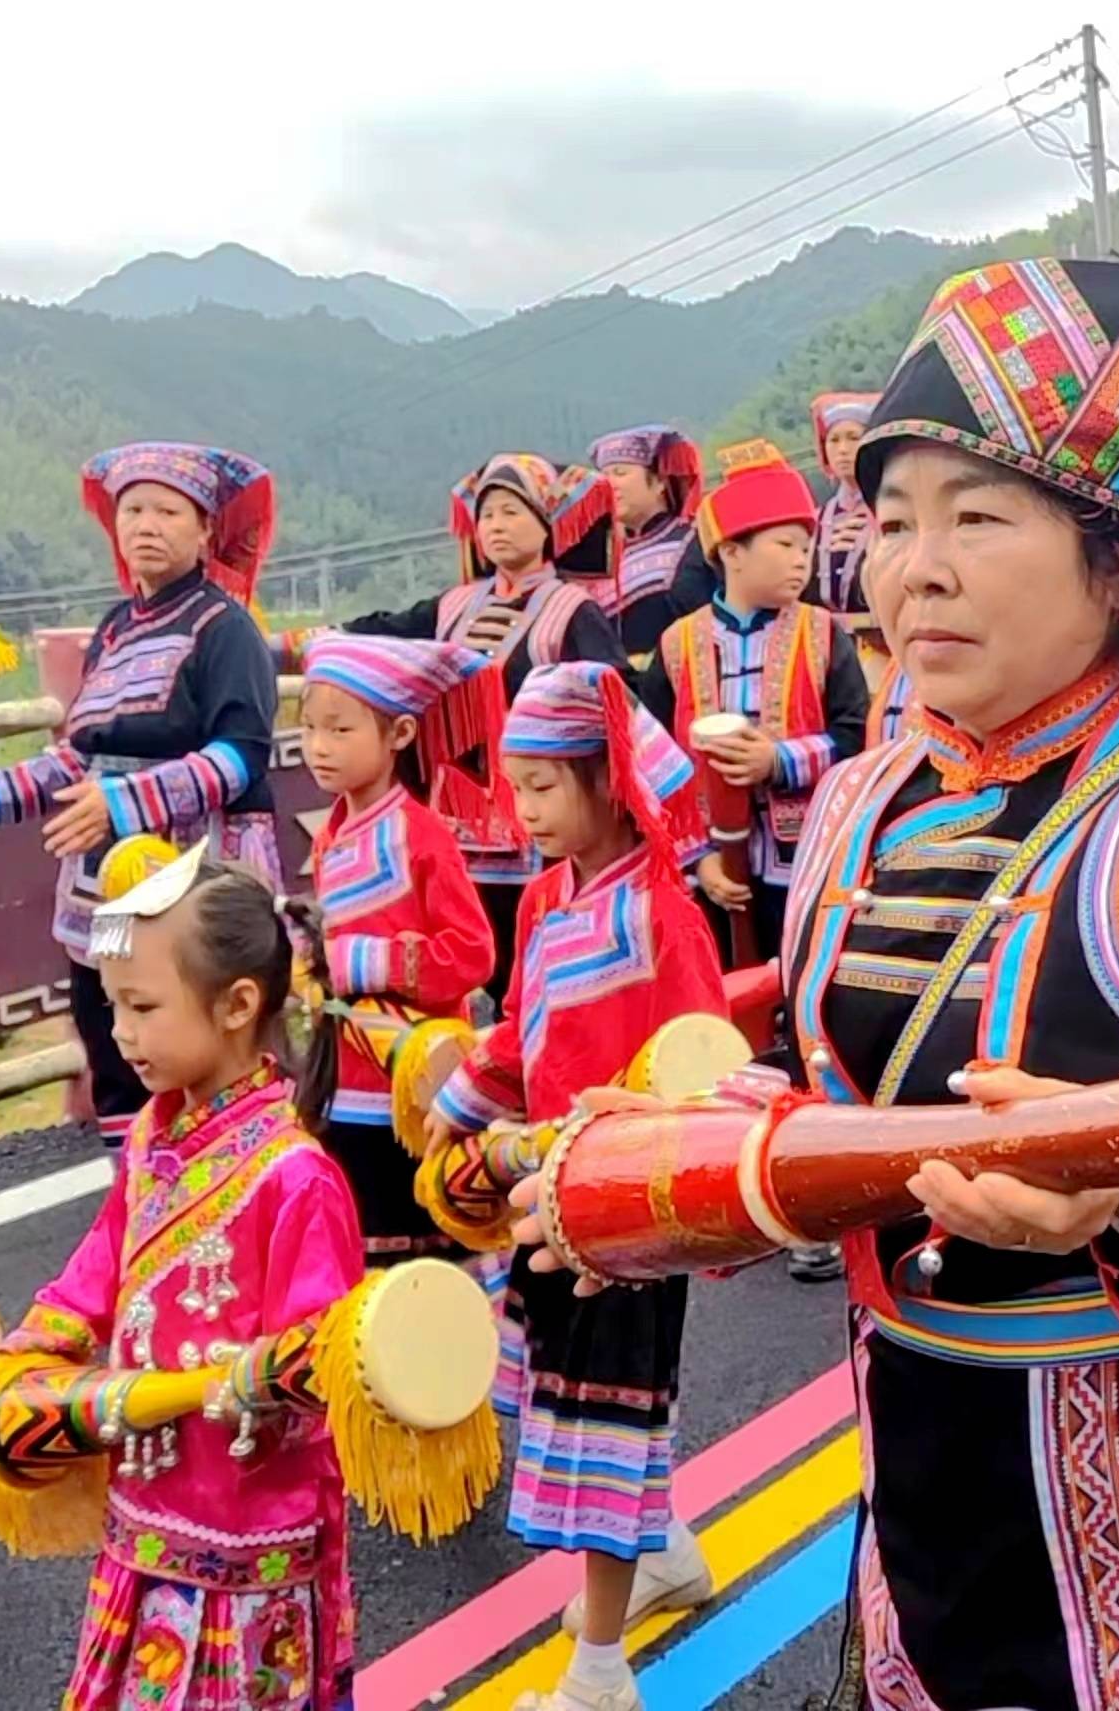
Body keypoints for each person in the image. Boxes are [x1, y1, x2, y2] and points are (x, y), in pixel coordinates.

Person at [539, 258, 1119, 1711]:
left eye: (975, 518)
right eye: (891, 522)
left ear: (1116, 566)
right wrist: (688, 1164)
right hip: (919, 1461)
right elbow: (833, 1087)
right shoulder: (860, 803)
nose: (917, 569)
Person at [423, 661, 726, 1711]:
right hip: (545, 1202)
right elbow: (523, 1026)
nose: (526, 812)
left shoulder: (664, 915)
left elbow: (705, 1068)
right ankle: (666, 1550)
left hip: (628, 1220)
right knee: (576, 1408)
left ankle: (600, 1672)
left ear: (609, 778)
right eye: (517, 788)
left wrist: (657, 1184)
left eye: (546, 786)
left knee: (605, 1431)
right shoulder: (548, 897)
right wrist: (462, 1099)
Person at [4, 854, 359, 1711]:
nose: (121, 1033)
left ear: (237, 1005)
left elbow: (323, 1363)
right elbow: (99, 1266)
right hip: (145, 1507)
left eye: (143, 1007)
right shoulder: (151, 1138)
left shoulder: (295, 1176)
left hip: (250, 1532)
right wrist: (29, 1356)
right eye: (113, 1007)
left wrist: (245, 1390)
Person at [0, 442, 280, 1149]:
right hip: (102, 892)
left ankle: (219, 1184)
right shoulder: (116, 629)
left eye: (167, 511)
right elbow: (80, 751)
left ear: (205, 529)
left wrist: (124, 803)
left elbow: (241, 756)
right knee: (117, 1036)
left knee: (191, 1037)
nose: (146, 525)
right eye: (133, 511)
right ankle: (136, 1189)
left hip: (193, 882)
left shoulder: (226, 629)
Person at [334, 453, 628, 987]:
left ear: (546, 525)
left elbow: (613, 695)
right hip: (455, 811)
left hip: (537, 805)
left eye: (512, 512)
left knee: (533, 942)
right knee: (462, 931)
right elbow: (381, 633)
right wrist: (293, 648)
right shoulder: (454, 606)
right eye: (487, 514)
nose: (496, 525)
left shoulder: (570, 608)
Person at [294, 632, 503, 1264]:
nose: (319, 747)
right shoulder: (330, 836)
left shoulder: (423, 835)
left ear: (400, 734)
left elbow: (473, 954)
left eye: (340, 730)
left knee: (419, 1261)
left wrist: (361, 961)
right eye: (309, 729)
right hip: (344, 1081)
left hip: (409, 1095)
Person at [639, 442, 870, 973]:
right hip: (710, 866)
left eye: (806, 547)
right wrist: (696, 859)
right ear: (731, 552)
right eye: (785, 544)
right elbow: (652, 763)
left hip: (810, 859)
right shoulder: (676, 645)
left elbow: (858, 736)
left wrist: (778, 760)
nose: (800, 559)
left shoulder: (822, 634)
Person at [590, 426, 714, 666]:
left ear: (659, 482)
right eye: (604, 477)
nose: (609, 485)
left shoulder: (694, 539)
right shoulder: (599, 561)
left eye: (620, 472)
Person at [806, 391, 878, 630]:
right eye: (834, 440)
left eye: (853, 438)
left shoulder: (890, 512)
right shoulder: (815, 520)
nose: (843, 449)